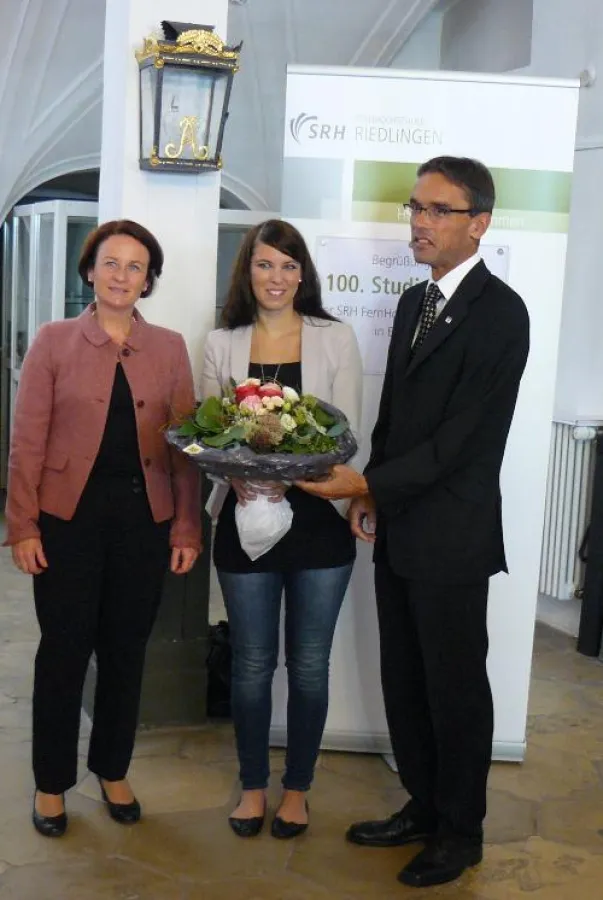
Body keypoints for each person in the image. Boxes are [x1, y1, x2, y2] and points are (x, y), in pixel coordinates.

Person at [297, 157, 529, 887]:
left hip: (453, 539)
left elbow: (461, 441)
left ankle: (460, 833)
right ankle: (423, 807)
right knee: (404, 677)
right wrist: (372, 495)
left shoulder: (500, 312)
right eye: (415, 208)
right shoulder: (410, 303)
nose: (419, 223)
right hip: (399, 525)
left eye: (437, 211)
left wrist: (364, 481)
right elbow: (397, 420)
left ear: (478, 223)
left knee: (454, 688)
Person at [4, 219, 201, 837]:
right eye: (110, 263)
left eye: (135, 266)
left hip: (145, 522)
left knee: (125, 651)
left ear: (149, 280)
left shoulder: (168, 347)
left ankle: (113, 768)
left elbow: (186, 449)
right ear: (89, 271)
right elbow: (26, 442)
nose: (121, 276)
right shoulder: (54, 340)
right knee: (63, 652)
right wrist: (23, 526)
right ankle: (51, 783)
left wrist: (187, 529)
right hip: (67, 523)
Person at [201, 219, 362, 839]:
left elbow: (352, 431)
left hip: (320, 521)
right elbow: (203, 431)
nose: (277, 278)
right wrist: (233, 476)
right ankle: (251, 787)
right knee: (250, 662)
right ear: (248, 271)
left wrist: (300, 477)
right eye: (265, 265)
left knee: (310, 664)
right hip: (245, 519)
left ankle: (297, 790)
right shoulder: (222, 341)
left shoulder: (335, 337)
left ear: (304, 274)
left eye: (289, 266)